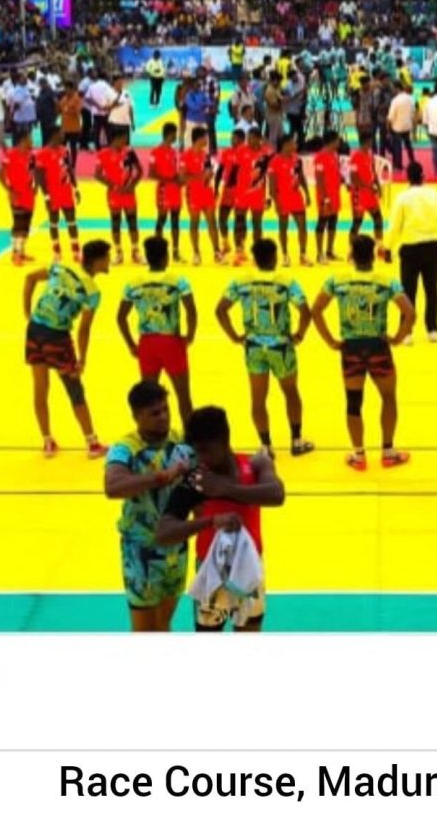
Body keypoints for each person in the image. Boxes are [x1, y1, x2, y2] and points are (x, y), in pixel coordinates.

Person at [155, 406, 285, 631]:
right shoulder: (197, 479)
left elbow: (276, 494)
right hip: (210, 570)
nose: (202, 458)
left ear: (225, 440)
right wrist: (209, 522)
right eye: (198, 451)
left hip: (249, 567)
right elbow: (164, 532)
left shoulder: (255, 464)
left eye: (207, 450)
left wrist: (223, 488)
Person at [311, 235, 415, 471]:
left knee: (353, 402)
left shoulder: (337, 281)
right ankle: (388, 452)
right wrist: (398, 338)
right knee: (388, 398)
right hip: (378, 347)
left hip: (351, 349)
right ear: (373, 256)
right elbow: (410, 313)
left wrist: (331, 341)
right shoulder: (386, 281)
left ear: (351, 255)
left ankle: (359, 455)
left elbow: (316, 310)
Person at [104, 381, 192, 631]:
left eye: (166, 409)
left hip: (176, 549)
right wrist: (160, 477)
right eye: (155, 413)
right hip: (141, 551)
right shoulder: (126, 449)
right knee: (144, 632)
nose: (163, 417)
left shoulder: (179, 441)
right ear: (137, 416)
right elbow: (113, 486)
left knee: (163, 625)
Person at [216, 238, 314, 458]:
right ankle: (296, 440)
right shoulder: (286, 281)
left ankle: (266, 445)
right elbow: (306, 312)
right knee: (291, 392)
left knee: (258, 398)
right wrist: (299, 334)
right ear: (274, 257)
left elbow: (220, 310)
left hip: (254, 347)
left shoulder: (241, 281)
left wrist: (234, 336)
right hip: (281, 346)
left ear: (255, 258)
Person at [22, 239, 111, 459]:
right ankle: (92, 444)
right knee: (74, 390)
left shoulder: (60, 267)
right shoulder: (92, 291)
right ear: (97, 261)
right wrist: (82, 359)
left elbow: (29, 278)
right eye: (106, 258)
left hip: (34, 330)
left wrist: (27, 314)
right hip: (57, 338)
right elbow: (84, 329)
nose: (109, 262)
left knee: (40, 388)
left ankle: (47, 442)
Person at [117, 236, 197, 426]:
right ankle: (191, 436)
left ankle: (150, 433)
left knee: (149, 398)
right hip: (171, 342)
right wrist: (190, 335)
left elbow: (120, 317)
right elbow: (191, 311)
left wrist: (131, 344)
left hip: (147, 343)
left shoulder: (133, 283)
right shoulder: (178, 281)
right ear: (165, 257)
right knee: (183, 395)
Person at [386, 161, 437, 344]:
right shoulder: (435, 195)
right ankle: (432, 329)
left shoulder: (402, 198)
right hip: (432, 246)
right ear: (423, 176)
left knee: (407, 292)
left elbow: (394, 226)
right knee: (432, 289)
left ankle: (407, 332)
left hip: (410, 249)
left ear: (408, 177)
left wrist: (388, 247)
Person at [95, 127, 143, 265]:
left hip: (129, 193)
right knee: (115, 223)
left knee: (132, 222)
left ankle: (135, 252)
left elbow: (140, 170)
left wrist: (132, 185)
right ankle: (118, 252)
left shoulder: (129, 152)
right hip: (114, 194)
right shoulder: (103, 154)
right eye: (124, 138)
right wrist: (112, 185)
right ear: (116, 139)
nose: (126, 141)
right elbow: (97, 174)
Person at [35, 126, 81, 264]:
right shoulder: (42, 153)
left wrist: (76, 188)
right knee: (53, 223)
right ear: (54, 135)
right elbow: (39, 177)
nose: (63, 135)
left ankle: (76, 251)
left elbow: (69, 169)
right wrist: (46, 196)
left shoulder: (64, 150)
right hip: (53, 193)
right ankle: (56, 252)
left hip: (66, 192)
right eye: (61, 133)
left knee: (72, 221)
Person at [268, 134, 312, 267]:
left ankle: (303, 254)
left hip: (296, 197)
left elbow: (302, 177)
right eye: (293, 143)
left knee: (303, 227)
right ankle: (285, 255)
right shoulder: (274, 162)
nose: (295, 145)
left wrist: (307, 194)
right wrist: (277, 202)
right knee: (283, 228)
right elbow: (272, 186)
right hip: (282, 198)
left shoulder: (297, 160)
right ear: (285, 145)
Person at [181, 126, 223, 266]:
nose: (207, 140)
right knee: (195, 222)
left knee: (212, 222)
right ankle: (196, 253)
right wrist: (200, 176)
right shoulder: (186, 156)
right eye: (205, 137)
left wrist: (211, 177)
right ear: (198, 139)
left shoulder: (206, 156)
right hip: (193, 193)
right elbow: (183, 177)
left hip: (207, 192)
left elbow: (210, 173)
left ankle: (217, 252)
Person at [232, 126, 273, 266]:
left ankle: (257, 254)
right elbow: (234, 170)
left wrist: (268, 196)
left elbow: (270, 175)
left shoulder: (266, 153)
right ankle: (239, 251)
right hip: (242, 192)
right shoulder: (240, 150)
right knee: (239, 221)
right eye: (248, 138)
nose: (248, 141)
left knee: (257, 224)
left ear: (259, 139)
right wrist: (232, 190)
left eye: (251, 138)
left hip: (258, 193)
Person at [0, 129, 37, 266]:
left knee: (26, 224)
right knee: (18, 224)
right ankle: (16, 254)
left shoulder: (31, 155)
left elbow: (33, 173)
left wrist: (35, 187)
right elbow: (0, 173)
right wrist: (9, 190)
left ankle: (21, 251)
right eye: (30, 139)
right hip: (17, 195)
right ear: (23, 140)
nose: (32, 141)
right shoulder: (11, 154)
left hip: (29, 195)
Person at [149, 123, 185, 263]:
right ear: (169, 134)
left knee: (175, 221)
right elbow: (151, 174)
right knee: (162, 219)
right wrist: (169, 179)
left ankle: (175, 251)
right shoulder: (155, 152)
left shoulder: (173, 152)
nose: (176, 137)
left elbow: (175, 170)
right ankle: (158, 251)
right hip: (164, 190)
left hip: (175, 190)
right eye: (175, 134)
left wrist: (180, 180)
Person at [348, 132, 385, 255]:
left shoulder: (370, 154)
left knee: (378, 219)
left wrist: (378, 186)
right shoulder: (355, 157)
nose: (371, 143)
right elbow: (353, 178)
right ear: (365, 142)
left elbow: (373, 171)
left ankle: (379, 247)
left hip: (370, 193)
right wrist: (368, 186)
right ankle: (351, 251)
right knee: (357, 222)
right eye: (370, 141)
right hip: (359, 194)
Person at [215, 128, 246, 256]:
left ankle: (240, 247)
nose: (231, 140)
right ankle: (226, 243)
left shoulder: (245, 153)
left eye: (234, 138)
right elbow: (220, 170)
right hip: (227, 189)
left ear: (241, 140)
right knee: (222, 218)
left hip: (241, 190)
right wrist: (216, 187)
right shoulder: (226, 152)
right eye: (231, 138)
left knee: (240, 220)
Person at [313, 130, 343, 264]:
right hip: (325, 196)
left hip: (335, 194)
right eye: (337, 140)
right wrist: (325, 198)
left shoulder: (335, 155)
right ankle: (319, 254)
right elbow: (319, 179)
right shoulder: (320, 157)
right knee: (322, 223)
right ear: (332, 141)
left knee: (333, 222)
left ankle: (329, 251)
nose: (339, 142)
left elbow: (336, 172)